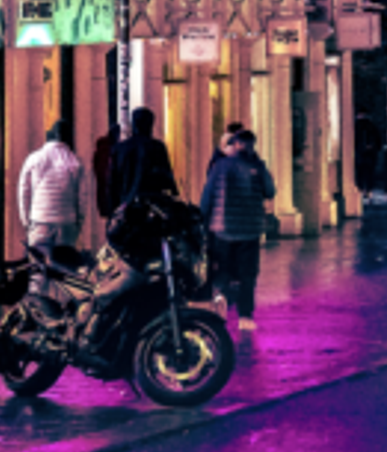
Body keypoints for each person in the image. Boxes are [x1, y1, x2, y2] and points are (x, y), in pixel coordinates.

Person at [198, 124, 277, 332]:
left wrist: (203, 221)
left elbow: (207, 197)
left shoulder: (220, 166)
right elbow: (270, 191)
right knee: (247, 273)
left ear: (236, 144)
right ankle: (245, 315)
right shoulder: (258, 167)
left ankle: (221, 303)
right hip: (249, 229)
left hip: (222, 228)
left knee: (222, 269)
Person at [14, 119, 89, 261]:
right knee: (64, 268)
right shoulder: (74, 161)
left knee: (38, 267)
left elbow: (24, 192)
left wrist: (26, 221)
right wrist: (79, 221)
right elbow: (82, 196)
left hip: (39, 220)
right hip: (67, 221)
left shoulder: (34, 158)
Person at [93, 107, 179, 227]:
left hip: (127, 209)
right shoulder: (157, 147)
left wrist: (112, 209)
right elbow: (167, 178)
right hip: (151, 210)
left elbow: (112, 182)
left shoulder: (120, 149)